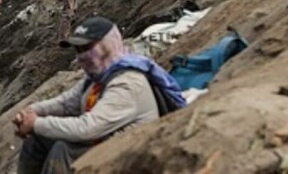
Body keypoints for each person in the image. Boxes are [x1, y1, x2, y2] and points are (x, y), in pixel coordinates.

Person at [12, 17, 186, 173]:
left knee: (63, 149)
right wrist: (31, 111)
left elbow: (88, 127)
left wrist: (36, 123)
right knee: (39, 138)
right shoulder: (100, 76)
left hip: (128, 154)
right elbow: (67, 103)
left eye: (87, 48)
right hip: (103, 143)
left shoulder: (127, 82)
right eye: (78, 50)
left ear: (107, 46)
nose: (81, 57)